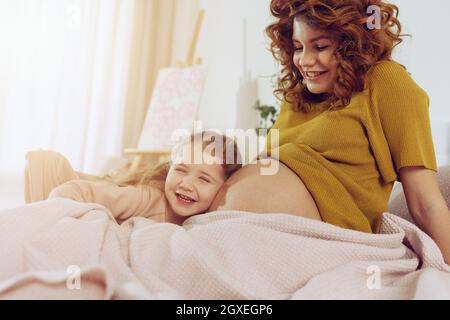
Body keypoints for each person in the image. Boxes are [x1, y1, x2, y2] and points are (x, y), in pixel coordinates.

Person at [209, 0, 450, 263]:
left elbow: (425, 202)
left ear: (352, 44)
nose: (304, 60)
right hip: (230, 231)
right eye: (298, 47)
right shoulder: (298, 96)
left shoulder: (387, 82)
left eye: (320, 46)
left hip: (313, 247)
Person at [26, 131, 242, 225]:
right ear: (170, 168)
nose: (186, 184)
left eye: (204, 179)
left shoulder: (210, 222)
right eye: (181, 170)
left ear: (223, 188)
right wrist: (54, 213)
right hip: (68, 190)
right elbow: (75, 191)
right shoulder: (145, 198)